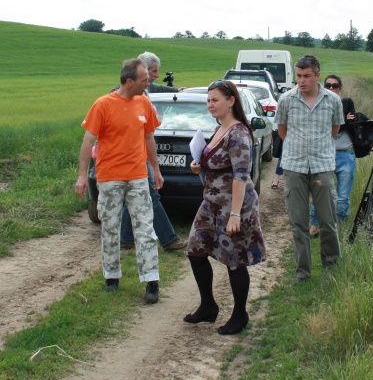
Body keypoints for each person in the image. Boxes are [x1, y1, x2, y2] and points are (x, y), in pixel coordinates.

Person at [76, 58, 163, 304]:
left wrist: (155, 170)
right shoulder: (103, 105)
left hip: (137, 176)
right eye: (144, 79)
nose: (148, 82)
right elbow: (88, 142)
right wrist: (82, 174)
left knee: (145, 228)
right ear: (129, 81)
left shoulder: (144, 103)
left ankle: (151, 281)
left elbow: (149, 139)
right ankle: (111, 277)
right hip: (110, 178)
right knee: (110, 228)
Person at [185, 81, 266, 335]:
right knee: (195, 250)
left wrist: (235, 215)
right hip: (211, 203)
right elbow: (216, 161)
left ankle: (240, 315)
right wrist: (200, 165)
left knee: (235, 260)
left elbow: (241, 176)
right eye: (208, 100)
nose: (210, 105)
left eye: (215, 100)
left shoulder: (238, 133)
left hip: (235, 206)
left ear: (231, 101)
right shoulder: (219, 128)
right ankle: (208, 306)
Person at [275, 55, 344, 283]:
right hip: (294, 166)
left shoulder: (333, 100)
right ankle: (302, 272)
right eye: (299, 76)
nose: (302, 81)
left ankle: (331, 267)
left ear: (317, 75)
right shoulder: (286, 100)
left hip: (323, 165)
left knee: (327, 219)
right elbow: (282, 131)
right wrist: (297, 149)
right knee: (298, 223)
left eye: (306, 76)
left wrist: (318, 148)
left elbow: (335, 130)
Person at [119, 51, 185, 253]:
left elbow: (159, 89)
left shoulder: (144, 92)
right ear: (142, 71)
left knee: (136, 196)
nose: (155, 76)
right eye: (153, 71)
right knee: (151, 196)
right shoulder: (119, 96)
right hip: (130, 156)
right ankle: (169, 240)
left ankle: (126, 239)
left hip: (142, 154)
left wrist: (177, 89)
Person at [309, 75, 359, 236]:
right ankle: (314, 225)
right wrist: (344, 120)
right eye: (328, 86)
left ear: (340, 88)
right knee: (321, 191)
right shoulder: (319, 105)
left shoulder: (347, 103)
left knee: (343, 195)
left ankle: (336, 228)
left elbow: (352, 124)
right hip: (325, 155)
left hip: (346, 154)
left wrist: (343, 121)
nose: (331, 89)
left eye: (335, 86)